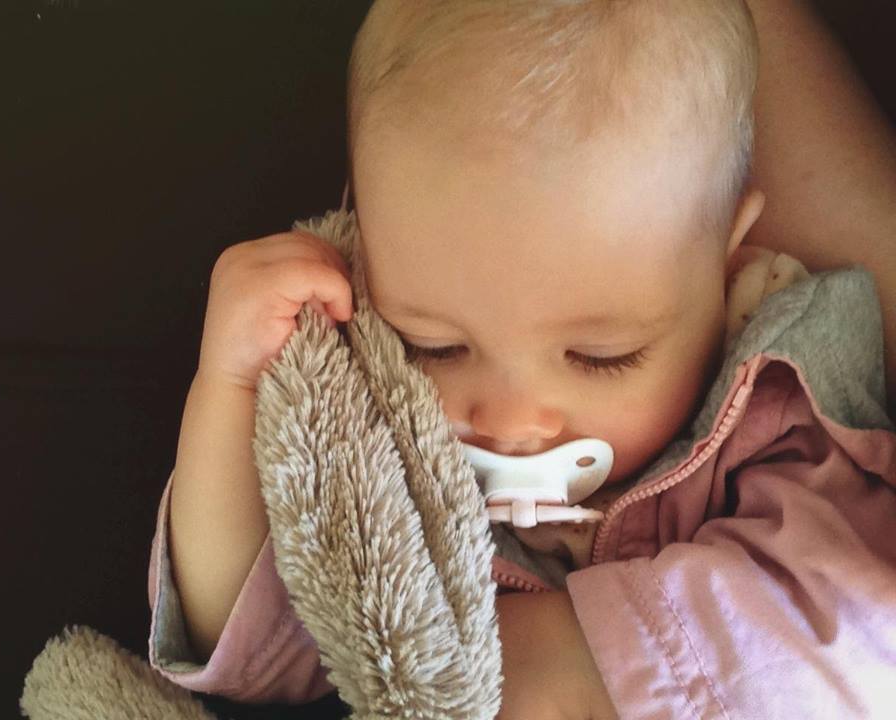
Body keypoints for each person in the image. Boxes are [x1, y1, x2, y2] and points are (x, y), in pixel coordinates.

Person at [147, 1, 896, 717]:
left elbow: (855, 629)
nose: (509, 423)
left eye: (601, 356)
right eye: (434, 345)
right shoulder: (371, 416)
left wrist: (585, 651)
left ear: (725, 261)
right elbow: (255, 649)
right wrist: (232, 385)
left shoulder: (780, 407)